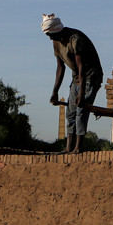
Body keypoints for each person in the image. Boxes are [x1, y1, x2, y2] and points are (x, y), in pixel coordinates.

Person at [43, 13, 103, 154]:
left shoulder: (76, 40)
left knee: (81, 111)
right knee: (70, 113)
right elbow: (60, 68)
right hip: (77, 78)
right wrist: (55, 91)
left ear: (57, 30)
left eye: (51, 34)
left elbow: (82, 68)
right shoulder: (56, 42)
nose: (50, 38)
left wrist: (81, 94)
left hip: (90, 77)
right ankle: (68, 147)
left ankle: (78, 148)